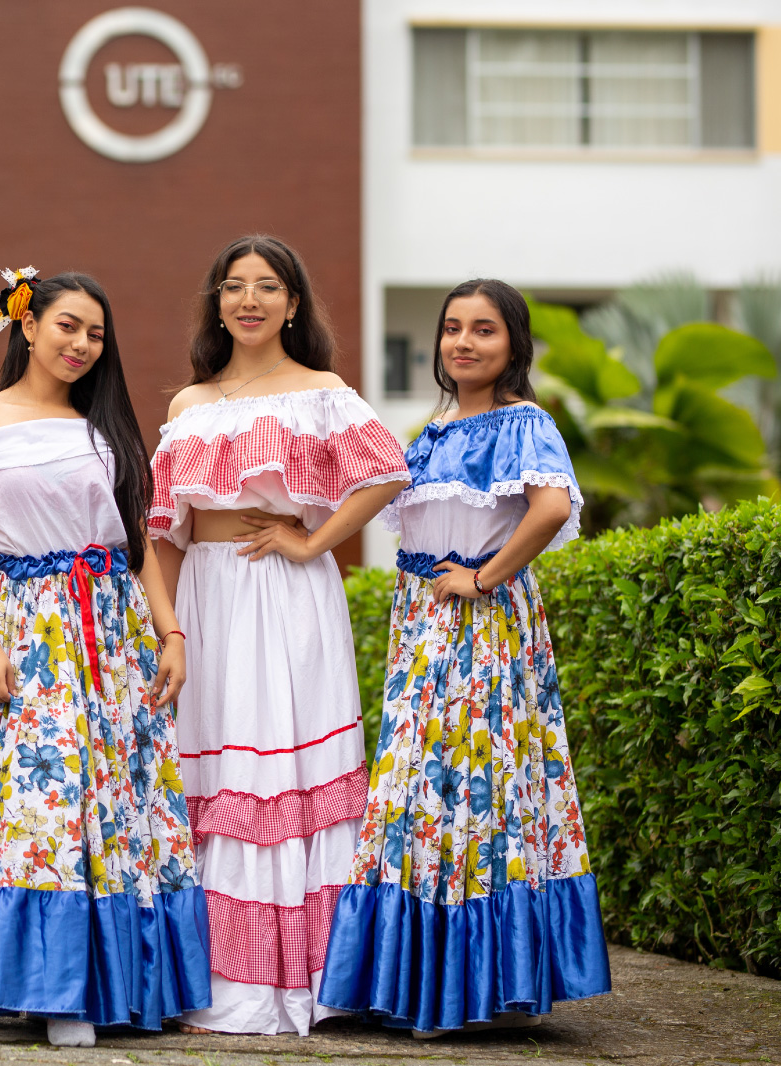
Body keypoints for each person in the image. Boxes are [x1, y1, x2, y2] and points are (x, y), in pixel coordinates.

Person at [0, 267, 212, 1048]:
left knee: (123, 802)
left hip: (113, 635)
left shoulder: (104, 426)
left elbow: (137, 540)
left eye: (95, 333)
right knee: (44, 800)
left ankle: (136, 984)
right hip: (30, 629)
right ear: (27, 325)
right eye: (67, 326)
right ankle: (55, 991)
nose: (83, 344)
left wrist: (171, 632)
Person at [317, 279, 612, 1036]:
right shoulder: (433, 432)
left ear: (514, 342)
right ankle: (417, 983)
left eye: (483, 329)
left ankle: (477, 991)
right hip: (423, 628)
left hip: (480, 627)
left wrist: (483, 577)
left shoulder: (523, 422)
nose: (463, 342)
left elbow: (550, 506)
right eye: (452, 328)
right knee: (419, 795)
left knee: (480, 789)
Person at [148, 235, 411, 1036]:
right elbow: (163, 532)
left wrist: (313, 540)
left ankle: (297, 977)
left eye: (268, 287)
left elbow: (389, 471)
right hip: (207, 592)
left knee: (284, 761)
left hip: (289, 590)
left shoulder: (322, 391)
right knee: (217, 761)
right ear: (217, 302)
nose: (250, 300)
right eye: (235, 287)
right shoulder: (187, 405)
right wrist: (167, 630)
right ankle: (215, 976)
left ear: (293, 303)